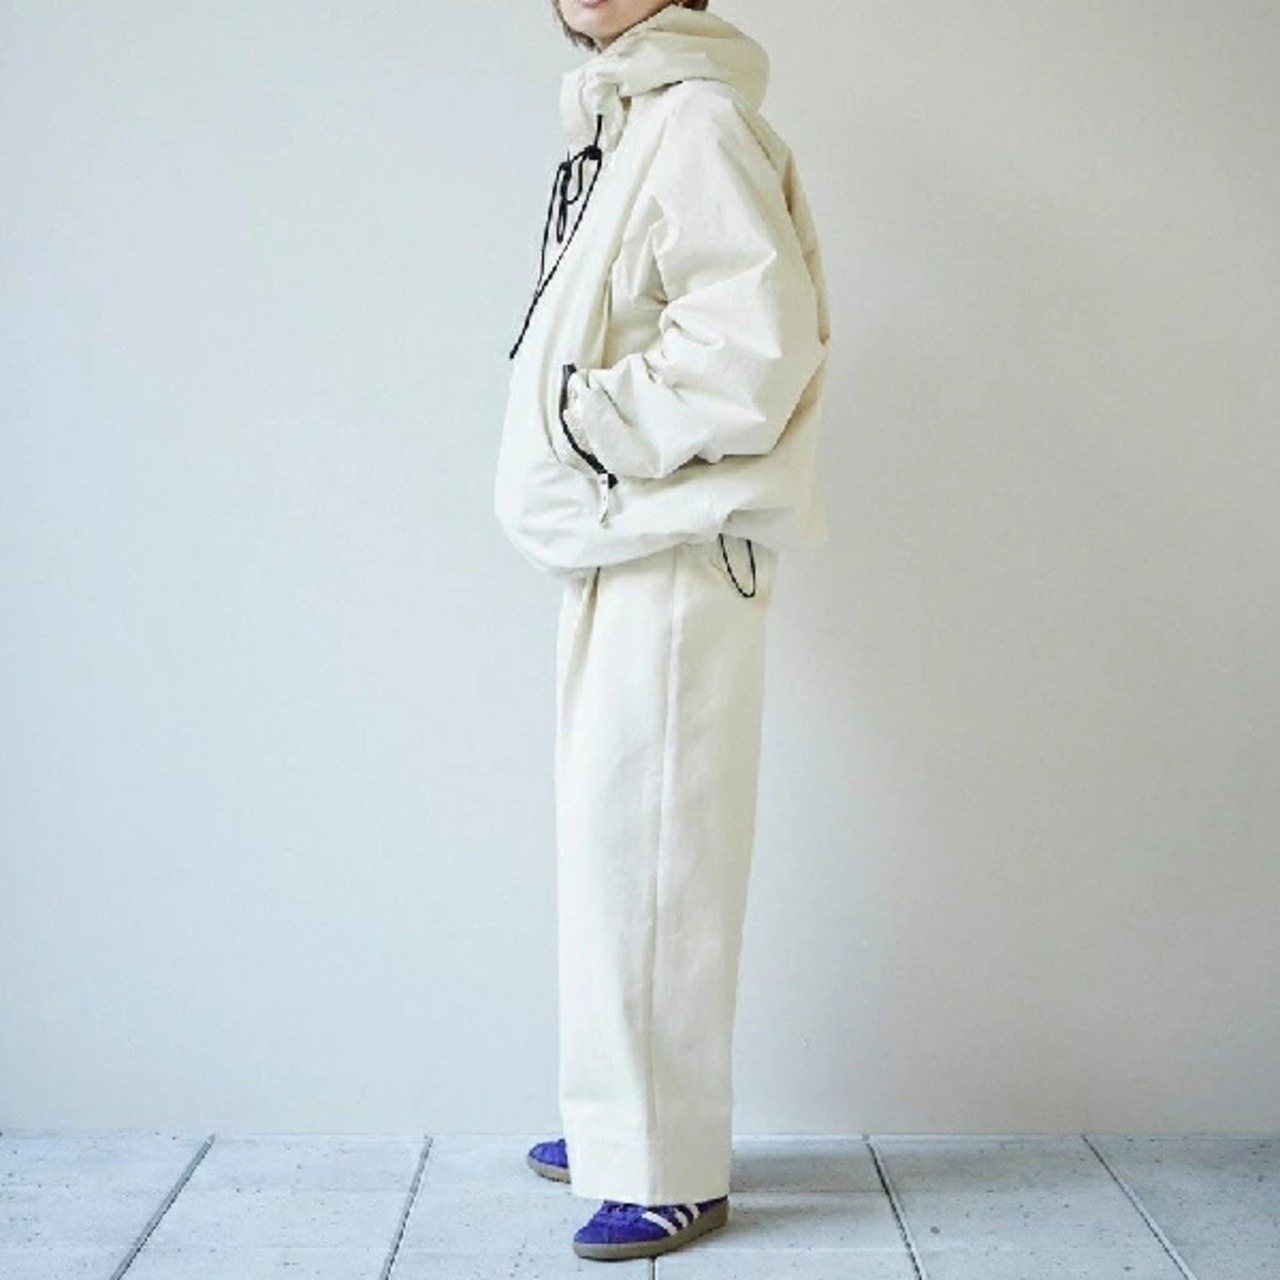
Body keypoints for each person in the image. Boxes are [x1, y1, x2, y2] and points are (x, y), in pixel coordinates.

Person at [495, 0, 831, 1262]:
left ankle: (664, 1165)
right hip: (624, 537)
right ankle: (618, 1127)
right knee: (612, 848)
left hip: (676, 543)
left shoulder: (693, 123)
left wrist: (586, 420)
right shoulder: (626, 117)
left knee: (656, 859)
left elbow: (755, 347)